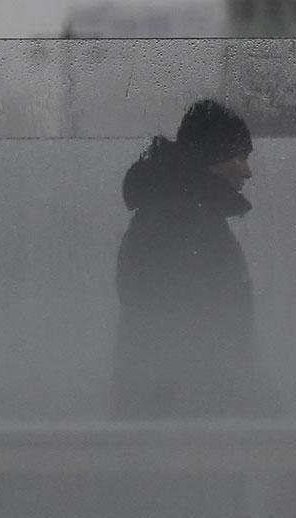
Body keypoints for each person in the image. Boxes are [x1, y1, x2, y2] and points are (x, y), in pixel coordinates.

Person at [111, 99, 280, 419]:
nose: (247, 171)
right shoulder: (186, 225)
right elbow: (198, 337)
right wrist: (250, 408)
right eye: (239, 158)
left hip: (168, 417)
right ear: (213, 159)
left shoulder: (173, 215)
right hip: (185, 426)